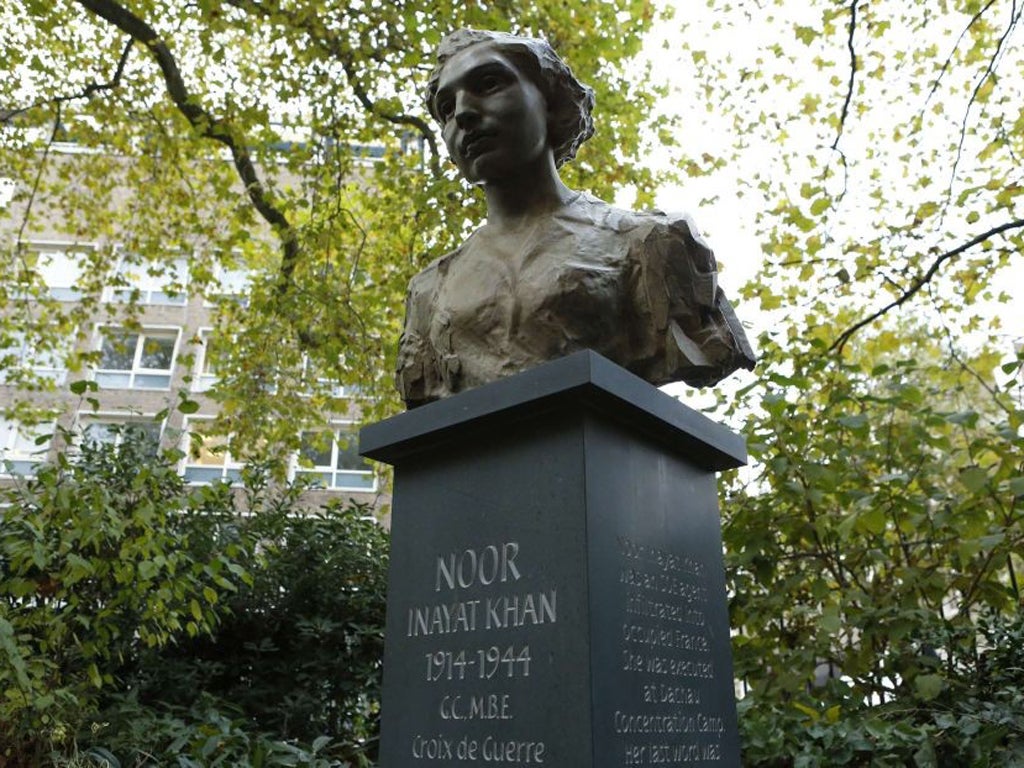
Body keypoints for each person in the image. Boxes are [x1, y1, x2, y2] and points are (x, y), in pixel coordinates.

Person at [396, 29, 755, 409]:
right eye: (446, 109)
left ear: (550, 103)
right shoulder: (428, 292)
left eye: (488, 83)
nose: (463, 114)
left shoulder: (653, 244)